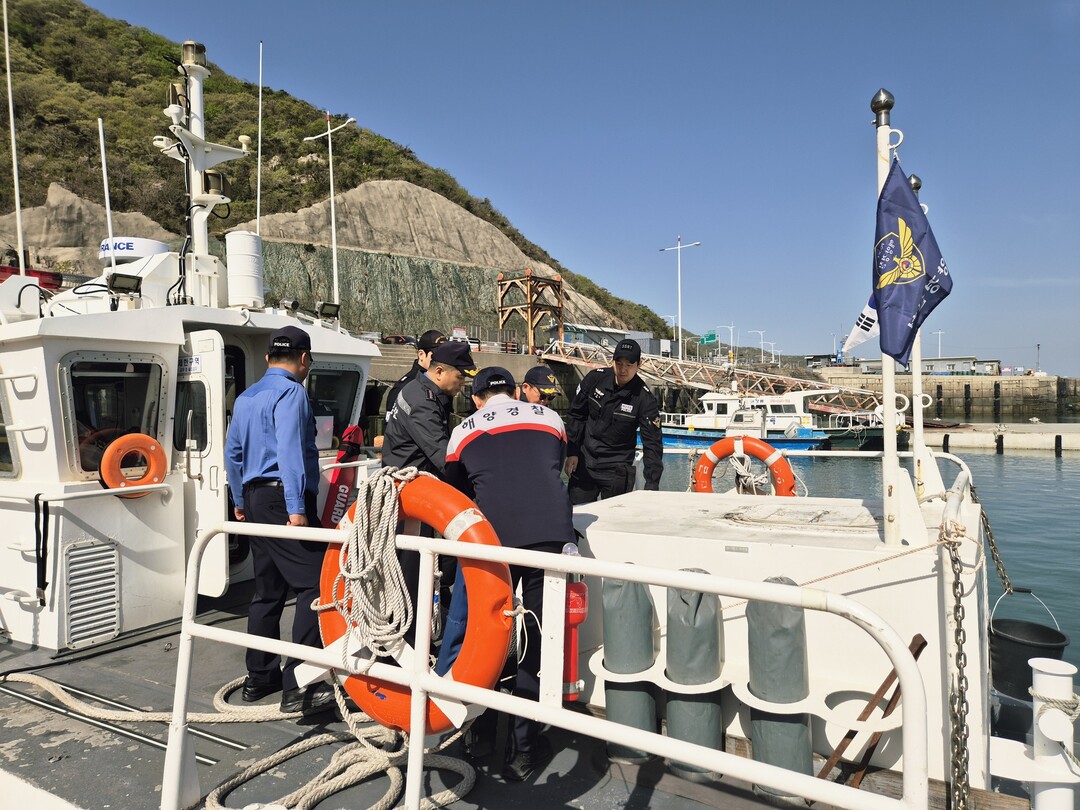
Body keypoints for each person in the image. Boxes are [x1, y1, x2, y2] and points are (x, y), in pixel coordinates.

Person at [437, 367, 572, 781]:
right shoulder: (551, 419)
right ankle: (523, 750)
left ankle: (467, 736)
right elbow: (556, 465)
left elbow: (456, 490)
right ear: (515, 392)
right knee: (535, 640)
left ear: (477, 399)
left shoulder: (463, 431)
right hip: (550, 537)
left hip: (490, 541)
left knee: (474, 631)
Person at [224, 325, 335, 715]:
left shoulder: (247, 396)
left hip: (255, 498)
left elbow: (233, 453)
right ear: (304, 359)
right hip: (283, 499)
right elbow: (290, 452)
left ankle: (260, 677)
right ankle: (298, 684)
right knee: (316, 583)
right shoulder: (292, 392)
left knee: (267, 589)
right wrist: (297, 510)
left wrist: (239, 500)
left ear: (270, 356)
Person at [382, 340, 477, 642]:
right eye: (460, 376)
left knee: (418, 573)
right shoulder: (423, 401)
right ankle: (408, 647)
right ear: (439, 372)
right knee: (411, 578)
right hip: (410, 499)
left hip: (415, 493)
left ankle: (416, 636)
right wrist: (476, 487)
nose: (463, 384)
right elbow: (442, 456)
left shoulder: (420, 391)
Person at [564, 338, 663, 503]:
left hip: (616, 469)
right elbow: (577, 414)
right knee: (575, 517)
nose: (623, 370)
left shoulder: (645, 399)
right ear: (612, 362)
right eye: (619, 363)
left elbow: (652, 445)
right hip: (585, 463)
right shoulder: (595, 379)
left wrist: (651, 487)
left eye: (629, 365)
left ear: (638, 365)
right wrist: (572, 451)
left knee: (614, 522)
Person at [384, 329, 446, 415]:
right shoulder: (404, 386)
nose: (441, 360)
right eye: (436, 356)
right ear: (421, 354)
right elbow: (392, 425)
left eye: (444, 356)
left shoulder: (443, 383)